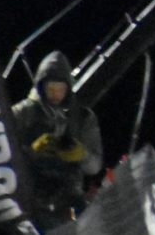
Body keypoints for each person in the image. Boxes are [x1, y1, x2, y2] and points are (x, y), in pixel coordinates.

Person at [9, 52, 104, 224]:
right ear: (41, 87)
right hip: (29, 206)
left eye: (61, 89)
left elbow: (95, 166)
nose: (56, 94)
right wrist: (32, 152)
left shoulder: (82, 118)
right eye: (51, 89)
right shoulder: (21, 114)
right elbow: (0, 155)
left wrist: (81, 154)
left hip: (69, 205)